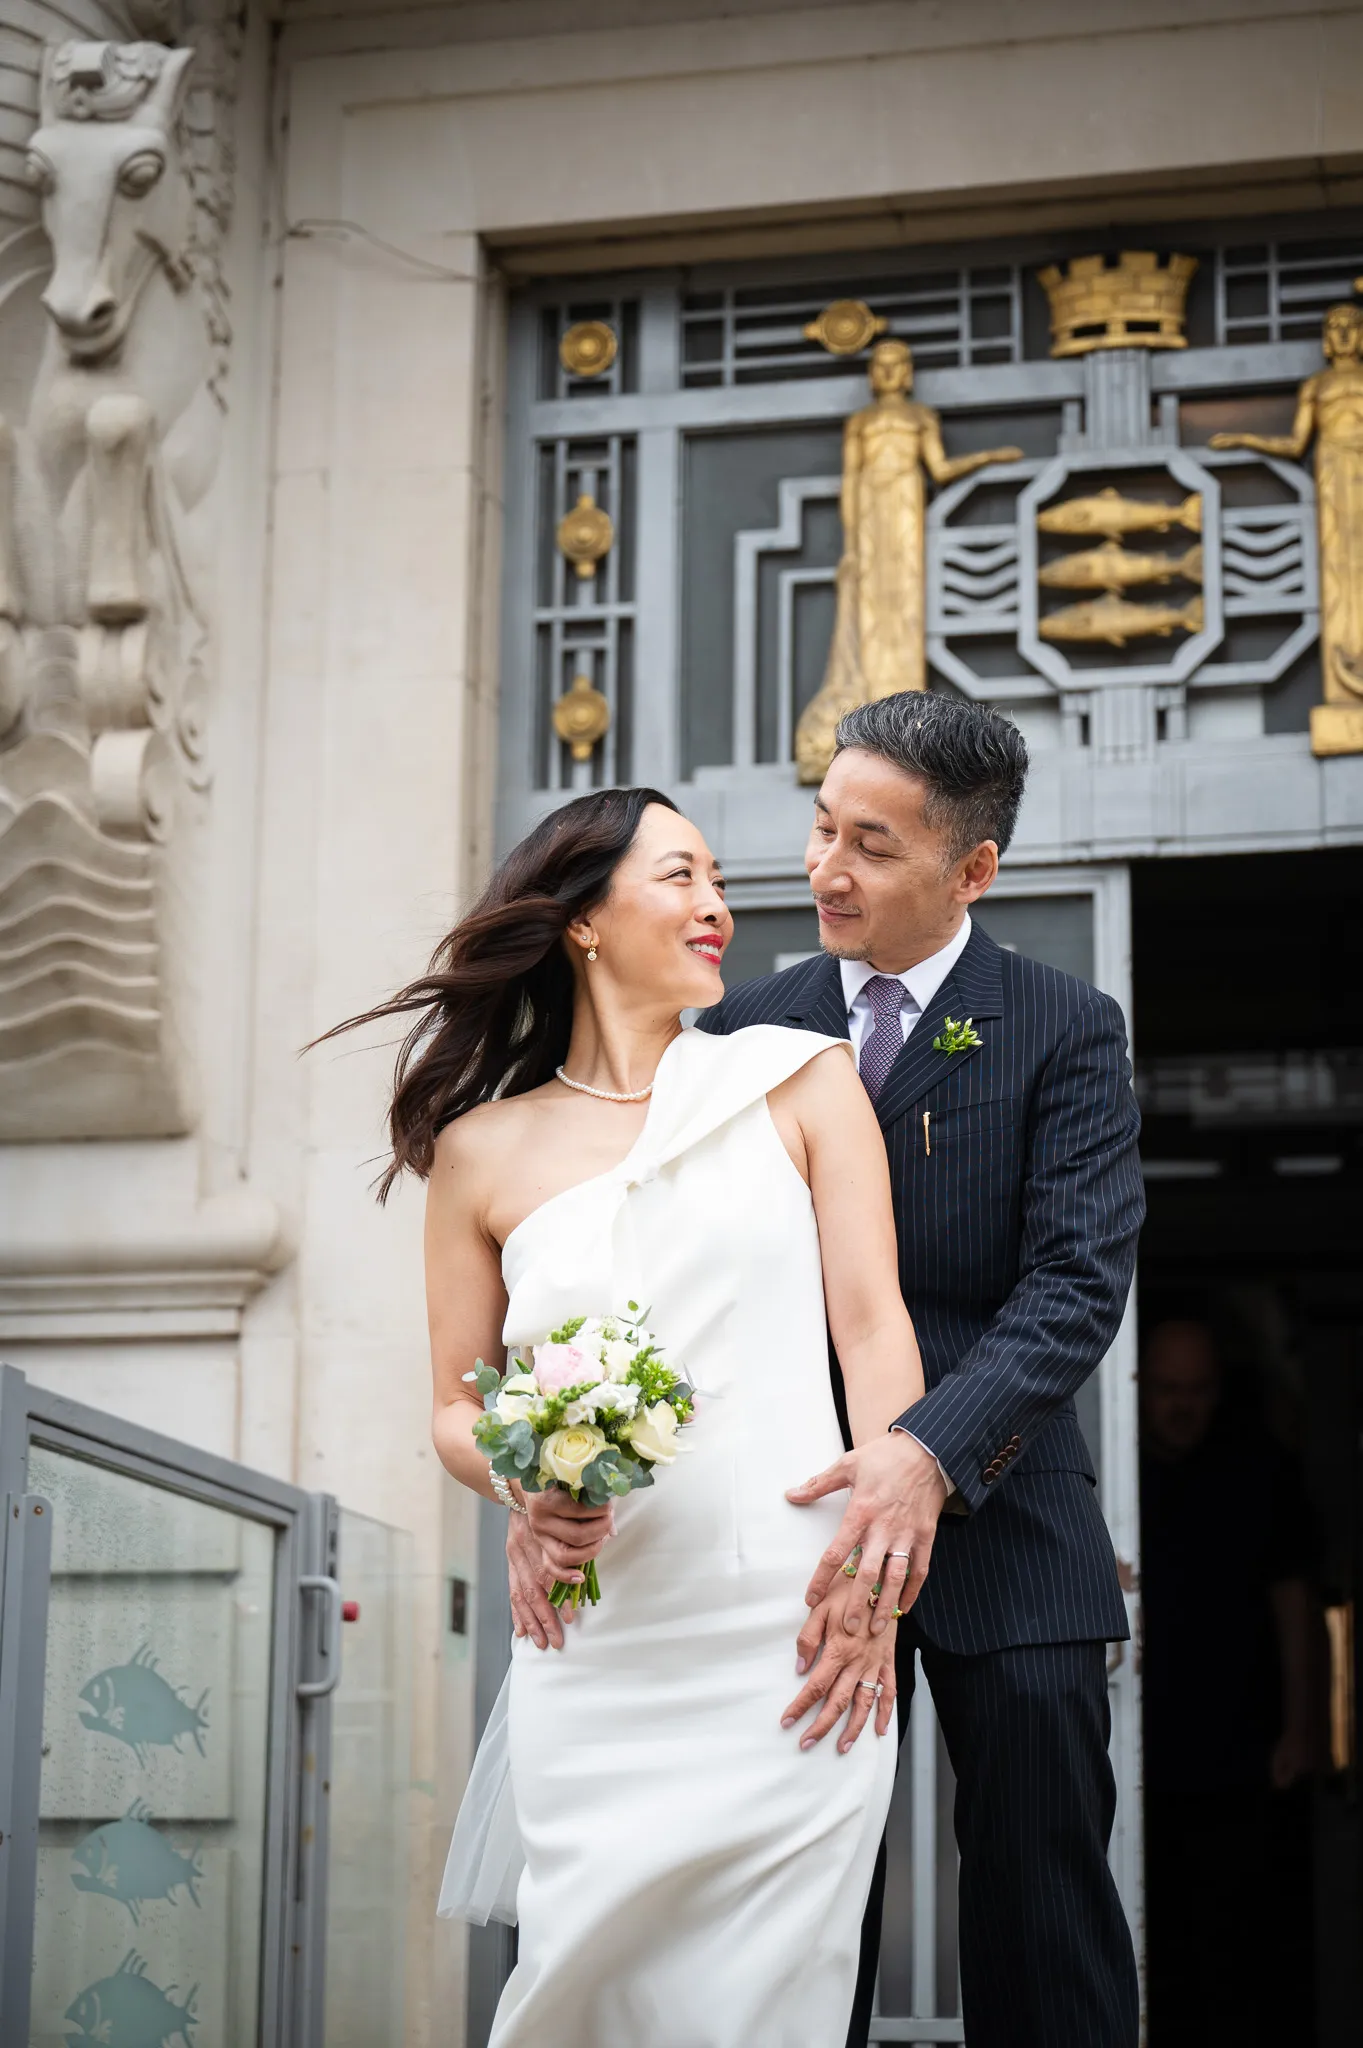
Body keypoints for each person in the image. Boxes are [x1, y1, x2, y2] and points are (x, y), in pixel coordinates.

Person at [335, 787, 926, 2047]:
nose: (717, 906)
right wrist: (521, 1486)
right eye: (679, 876)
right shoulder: (479, 1151)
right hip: (603, 1647)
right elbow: (454, 1404)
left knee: (773, 1993)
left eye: (717, 879)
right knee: (579, 1984)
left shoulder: (803, 1082)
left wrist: (877, 1579)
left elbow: (874, 1327)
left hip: (793, 1629)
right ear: (584, 922)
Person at [698, 692, 1144, 2048]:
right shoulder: (739, 1034)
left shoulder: (1062, 1024)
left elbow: (1071, 1286)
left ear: (972, 870)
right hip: (794, 1523)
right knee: (797, 1900)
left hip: (1009, 1518)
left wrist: (925, 1449)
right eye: (821, 829)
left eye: (872, 845)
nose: (824, 870)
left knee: (1041, 1896)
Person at [1140, 1317, 1322, 2046]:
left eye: (1198, 1389)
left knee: (1234, 1944)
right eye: (1166, 1390)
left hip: (1238, 1751)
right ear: (1136, 1386)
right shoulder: (1102, 1467)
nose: (1182, 1405)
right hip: (1130, 1753)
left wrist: (1304, 1726)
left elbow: (1294, 1602)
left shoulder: (1258, 1468)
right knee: (1143, 1937)